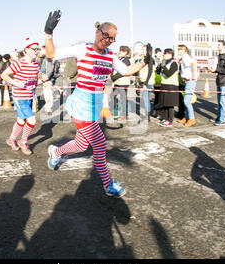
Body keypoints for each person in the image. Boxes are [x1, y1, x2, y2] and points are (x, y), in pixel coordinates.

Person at [45, 11, 152, 198]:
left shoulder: (110, 55)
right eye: (105, 35)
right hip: (80, 106)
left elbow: (126, 71)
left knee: (81, 144)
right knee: (100, 145)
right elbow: (52, 54)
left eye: (111, 38)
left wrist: (145, 62)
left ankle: (57, 152)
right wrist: (48, 32)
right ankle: (108, 185)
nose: (107, 40)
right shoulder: (83, 49)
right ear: (97, 32)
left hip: (93, 107)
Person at [1, 38, 42, 156]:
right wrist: (16, 83)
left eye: (37, 49)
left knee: (20, 121)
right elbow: (4, 75)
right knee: (32, 120)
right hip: (19, 97)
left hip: (29, 96)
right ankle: (23, 141)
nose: (36, 51)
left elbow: (34, 82)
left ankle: (11, 140)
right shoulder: (19, 63)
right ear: (26, 50)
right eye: (34, 49)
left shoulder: (35, 65)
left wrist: (42, 80)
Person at [210, 40, 225, 126]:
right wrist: (213, 70)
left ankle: (222, 120)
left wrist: (216, 69)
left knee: (223, 101)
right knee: (219, 101)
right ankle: (219, 117)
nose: (218, 46)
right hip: (219, 80)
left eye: (219, 45)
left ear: (224, 46)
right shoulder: (219, 56)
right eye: (217, 45)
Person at [155, 49, 179, 127]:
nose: (165, 55)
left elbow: (168, 74)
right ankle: (165, 118)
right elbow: (158, 72)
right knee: (164, 103)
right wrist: (159, 64)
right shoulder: (164, 62)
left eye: (167, 54)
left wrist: (163, 66)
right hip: (164, 84)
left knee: (170, 104)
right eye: (164, 53)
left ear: (171, 55)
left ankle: (170, 121)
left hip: (172, 85)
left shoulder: (174, 63)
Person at [177, 45, 198, 127]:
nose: (178, 51)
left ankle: (192, 119)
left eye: (180, 49)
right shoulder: (184, 58)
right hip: (187, 80)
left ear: (184, 51)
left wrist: (193, 75)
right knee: (186, 100)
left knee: (187, 101)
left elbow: (193, 64)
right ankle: (186, 117)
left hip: (190, 81)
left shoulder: (186, 57)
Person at [110, 46, 132, 122]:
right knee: (113, 96)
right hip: (117, 82)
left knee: (123, 99)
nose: (120, 52)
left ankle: (124, 115)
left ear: (126, 53)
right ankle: (114, 111)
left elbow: (122, 72)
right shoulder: (119, 59)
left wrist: (114, 77)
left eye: (122, 51)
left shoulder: (126, 60)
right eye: (120, 50)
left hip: (123, 82)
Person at [138, 44, 156, 119]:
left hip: (147, 82)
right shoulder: (143, 58)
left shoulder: (150, 59)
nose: (142, 51)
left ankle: (147, 116)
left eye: (144, 50)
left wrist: (145, 83)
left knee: (145, 100)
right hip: (143, 81)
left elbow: (150, 71)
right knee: (144, 99)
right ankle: (147, 114)